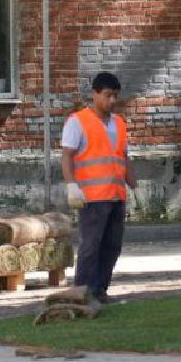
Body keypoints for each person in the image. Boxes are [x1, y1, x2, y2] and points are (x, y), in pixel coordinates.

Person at [60, 72, 136, 303]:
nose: (112, 101)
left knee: (112, 245)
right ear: (94, 94)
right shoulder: (78, 121)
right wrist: (71, 185)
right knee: (91, 246)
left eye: (115, 96)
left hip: (115, 195)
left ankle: (100, 290)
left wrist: (133, 184)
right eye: (107, 95)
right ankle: (81, 293)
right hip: (91, 197)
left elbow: (122, 156)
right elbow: (67, 156)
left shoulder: (120, 123)